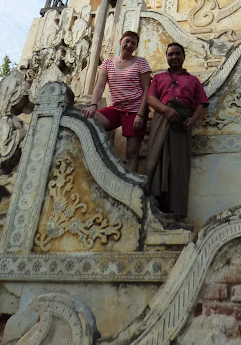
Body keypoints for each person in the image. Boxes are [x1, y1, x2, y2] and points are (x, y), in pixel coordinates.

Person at [145, 42, 209, 219]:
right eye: (170, 54)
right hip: (161, 120)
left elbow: (201, 103)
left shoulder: (192, 80)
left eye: (177, 54)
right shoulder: (158, 78)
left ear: (183, 57)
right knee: (157, 158)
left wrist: (192, 120)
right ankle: (155, 203)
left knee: (179, 165)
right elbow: (151, 98)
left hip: (183, 123)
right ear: (166, 57)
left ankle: (176, 209)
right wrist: (166, 110)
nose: (173, 57)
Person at [82, 30, 151, 172]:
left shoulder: (141, 63)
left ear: (136, 47)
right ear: (120, 41)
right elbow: (100, 86)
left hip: (134, 111)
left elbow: (147, 90)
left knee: (131, 152)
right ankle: (99, 166)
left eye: (133, 43)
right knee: (90, 119)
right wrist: (93, 105)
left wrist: (141, 114)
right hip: (115, 109)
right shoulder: (108, 63)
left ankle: (131, 184)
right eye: (127, 41)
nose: (129, 45)